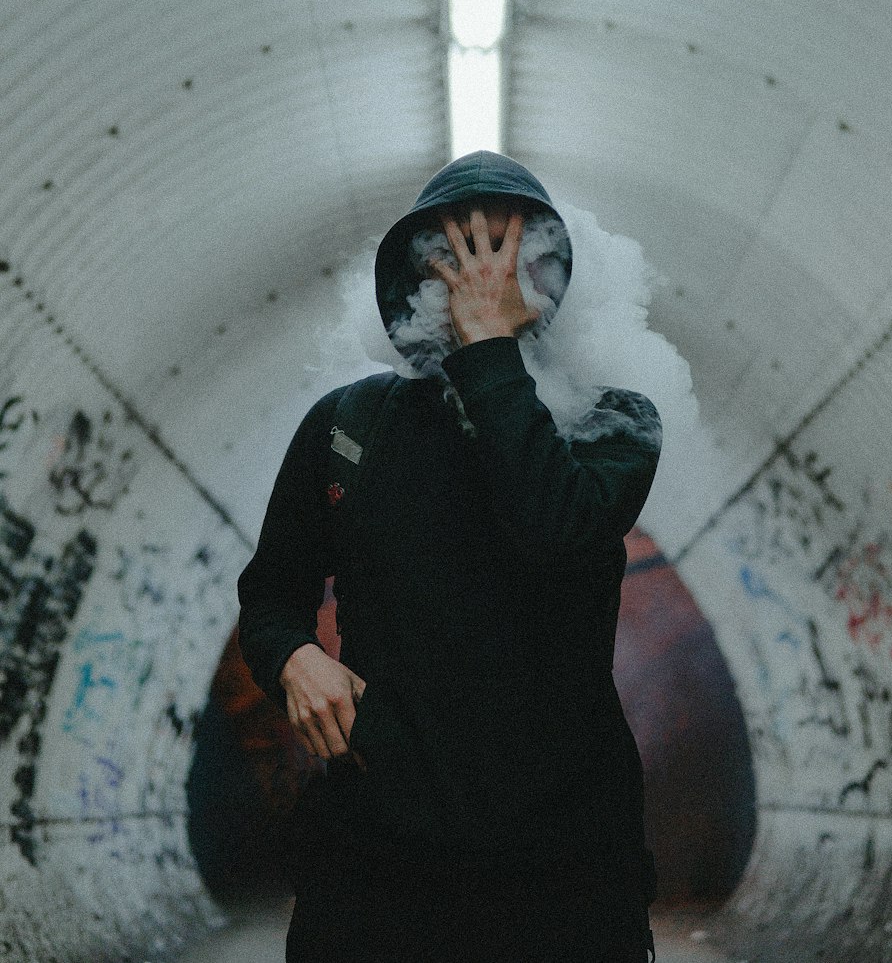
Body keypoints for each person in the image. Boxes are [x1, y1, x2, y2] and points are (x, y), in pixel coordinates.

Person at [237, 151, 662, 962]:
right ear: (414, 274)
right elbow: (270, 595)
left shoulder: (614, 423)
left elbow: (550, 525)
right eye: (457, 252)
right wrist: (295, 657)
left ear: (555, 272)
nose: (483, 276)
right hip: (380, 869)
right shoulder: (349, 428)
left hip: (565, 877)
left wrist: (487, 351)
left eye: (508, 250)